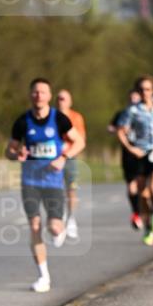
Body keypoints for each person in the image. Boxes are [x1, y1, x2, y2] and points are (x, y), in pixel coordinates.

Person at [5, 77, 85, 293]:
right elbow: (9, 150)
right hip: (30, 181)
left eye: (42, 92)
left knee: (54, 228)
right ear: (30, 95)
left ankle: (59, 227)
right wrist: (16, 154)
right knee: (34, 226)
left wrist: (64, 157)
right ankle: (43, 276)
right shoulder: (22, 122)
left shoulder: (59, 119)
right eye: (35, 92)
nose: (38, 95)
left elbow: (79, 142)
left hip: (53, 182)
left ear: (49, 96)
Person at [115, 75, 153, 246]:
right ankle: (148, 227)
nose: (145, 92)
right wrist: (131, 148)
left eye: (148, 89)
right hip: (140, 155)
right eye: (142, 89)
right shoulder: (133, 111)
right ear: (138, 91)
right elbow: (120, 131)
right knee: (142, 194)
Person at [107, 90, 144, 230]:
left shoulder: (146, 114)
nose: (133, 100)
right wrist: (118, 129)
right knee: (131, 186)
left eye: (136, 97)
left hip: (143, 153)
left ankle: (148, 212)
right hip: (128, 154)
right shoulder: (122, 114)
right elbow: (110, 127)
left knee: (144, 187)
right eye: (131, 98)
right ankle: (136, 213)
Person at [55, 89, 87, 240]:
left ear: (70, 101)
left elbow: (81, 140)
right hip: (53, 158)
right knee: (55, 190)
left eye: (64, 99)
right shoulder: (51, 116)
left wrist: (68, 150)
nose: (61, 101)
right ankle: (58, 220)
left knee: (71, 190)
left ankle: (71, 219)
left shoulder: (76, 117)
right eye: (59, 98)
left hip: (70, 158)